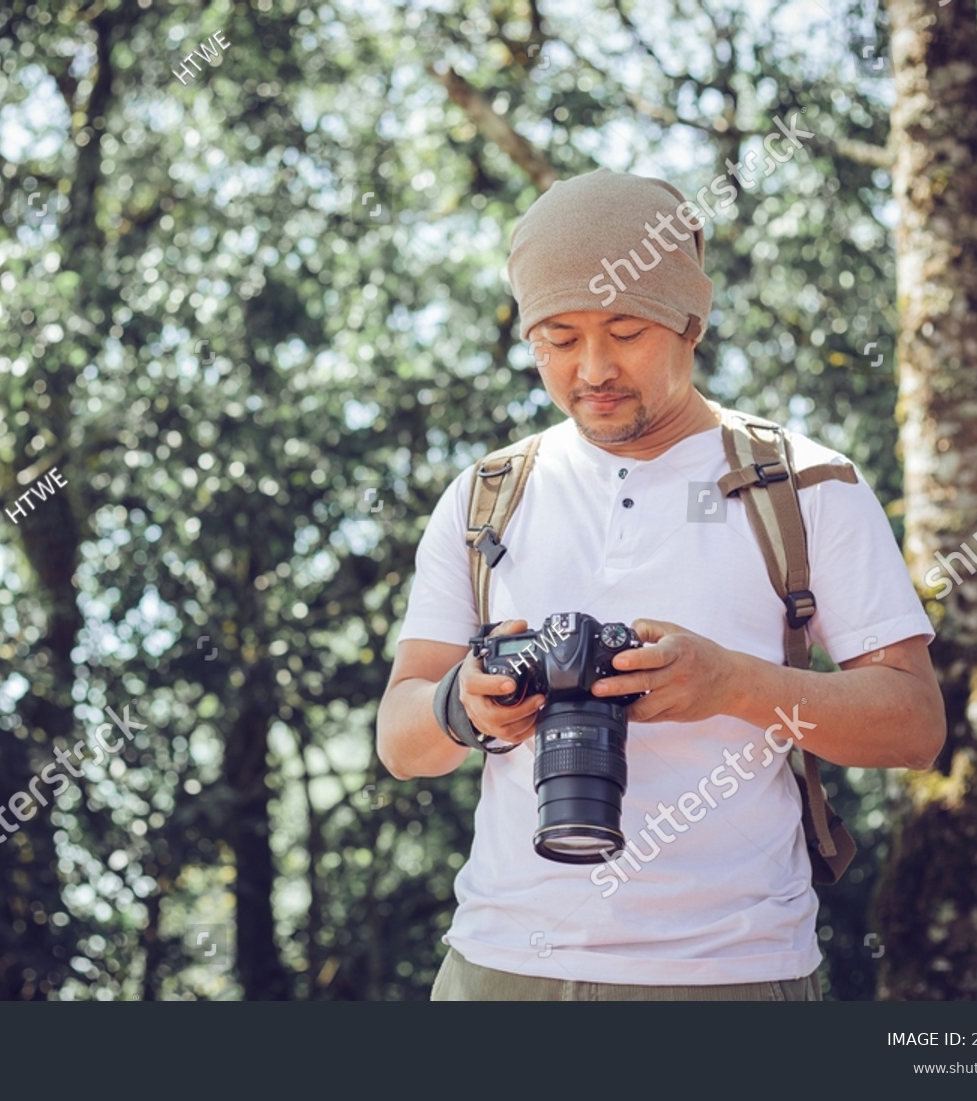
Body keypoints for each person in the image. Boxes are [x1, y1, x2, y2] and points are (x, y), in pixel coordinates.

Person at [375, 169, 945, 1001]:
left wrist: (733, 683)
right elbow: (398, 739)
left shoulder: (808, 486)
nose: (593, 368)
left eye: (626, 329)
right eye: (558, 337)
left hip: (730, 977)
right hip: (498, 968)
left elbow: (915, 726)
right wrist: (463, 704)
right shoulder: (486, 495)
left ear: (689, 319)